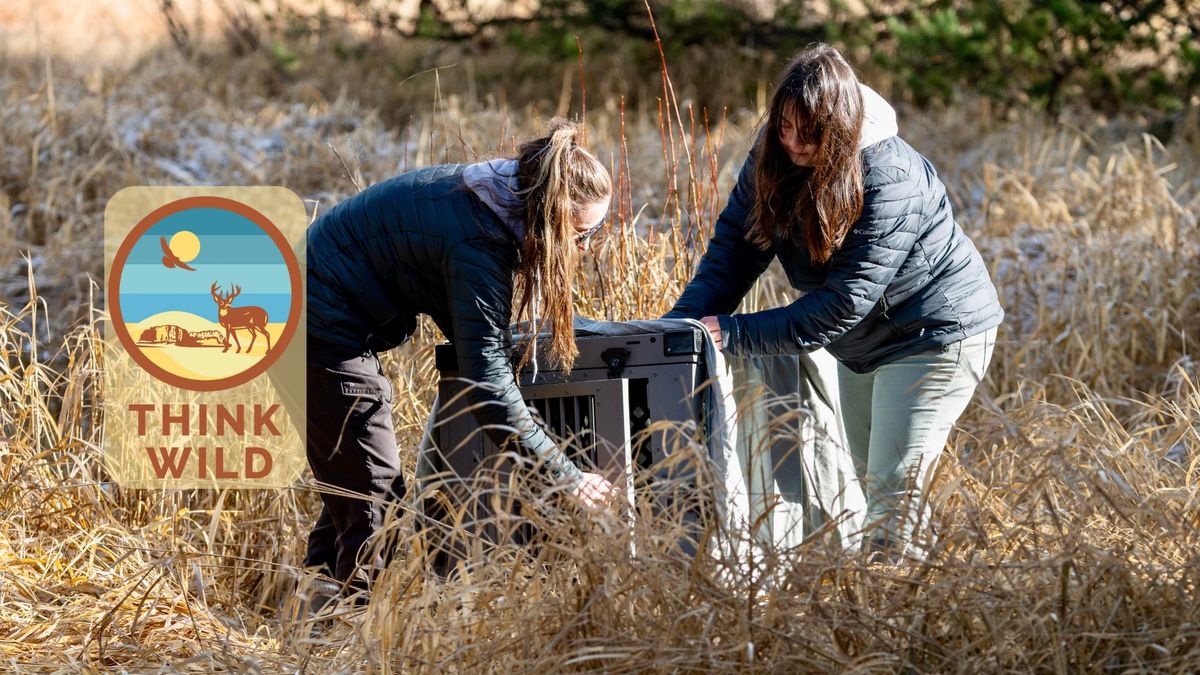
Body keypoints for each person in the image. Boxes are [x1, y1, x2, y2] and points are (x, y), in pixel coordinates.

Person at [665, 45, 1003, 558]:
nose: (796, 145)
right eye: (784, 127)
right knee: (875, 483)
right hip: (864, 342)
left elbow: (842, 304)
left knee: (894, 496)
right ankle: (923, 593)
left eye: (811, 133)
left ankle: (895, 621)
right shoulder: (773, 156)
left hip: (934, 336)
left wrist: (733, 333)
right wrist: (678, 328)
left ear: (841, 124)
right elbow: (735, 248)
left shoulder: (889, 177)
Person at [279, 118, 616, 593]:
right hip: (316, 328)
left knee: (354, 488)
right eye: (578, 233)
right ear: (549, 212)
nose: (581, 246)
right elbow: (486, 384)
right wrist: (567, 476)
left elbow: (479, 344)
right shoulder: (479, 239)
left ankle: (312, 624)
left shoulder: (488, 196)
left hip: (307, 314)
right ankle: (355, 646)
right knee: (376, 497)